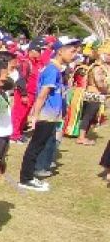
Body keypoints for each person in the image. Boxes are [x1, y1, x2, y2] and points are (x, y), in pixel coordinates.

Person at [19, 36, 78, 191]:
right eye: (72, 51)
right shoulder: (52, 70)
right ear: (60, 51)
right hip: (46, 115)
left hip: (51, 115)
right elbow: (42, 95)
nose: (75, 54)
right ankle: (26, 179)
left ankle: (29, 177)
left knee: (39, 146)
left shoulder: (56, 69)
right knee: (35, 147)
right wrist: (35, 116)